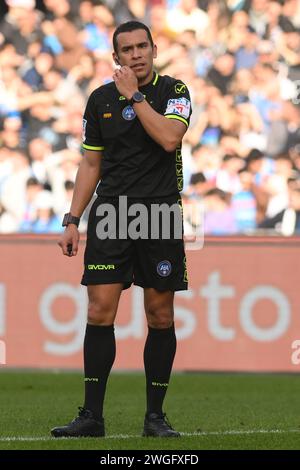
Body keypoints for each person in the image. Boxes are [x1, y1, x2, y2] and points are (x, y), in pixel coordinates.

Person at [51, 21, 192, 439]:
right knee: (98, 311)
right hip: (112, 215)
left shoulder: (175, 92)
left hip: (161, 213)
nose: (136, 54)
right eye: (127, 49)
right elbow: (90, 163)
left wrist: (134, 95)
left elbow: (170, 139)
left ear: (153, 48)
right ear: (116, 57)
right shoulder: (98, 100)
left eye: (142, 46)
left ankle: (155, 417)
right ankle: (91, 416)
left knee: (160, 314)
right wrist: (73, 219)